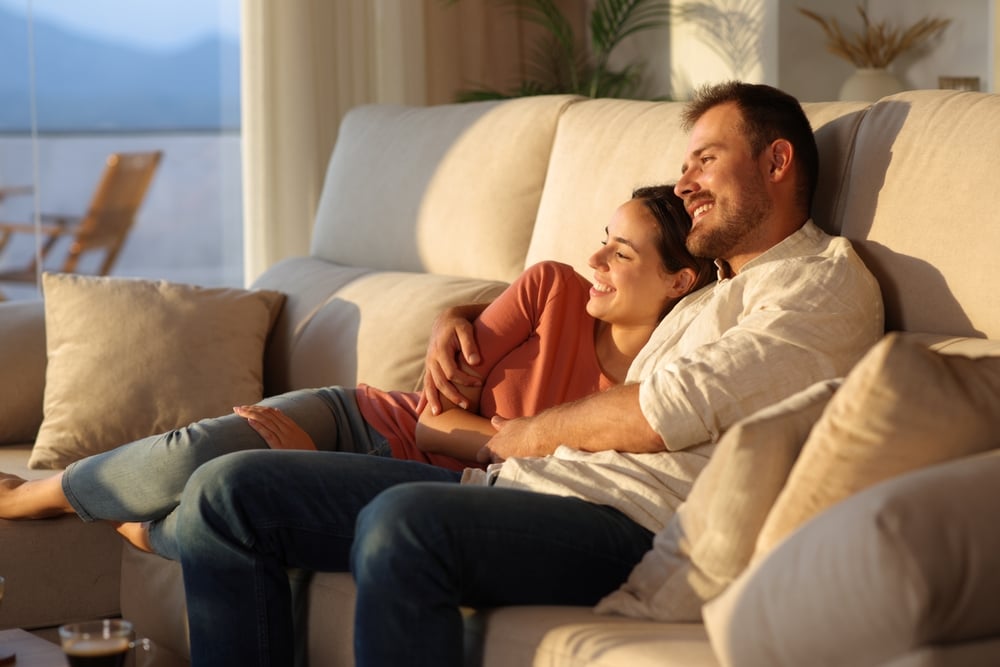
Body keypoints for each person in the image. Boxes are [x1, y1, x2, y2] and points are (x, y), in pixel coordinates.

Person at [171, 81, 884, 667]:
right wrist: (457, 310)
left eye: (704, 159)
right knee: (226, 491)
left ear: (778, 162)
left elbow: (666, 407)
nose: (684, 180)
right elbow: (586, 301)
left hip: (624, 522)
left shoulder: (818, 283)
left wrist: (519, 435)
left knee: (403, 524)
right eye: (686, 164)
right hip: (522, 489)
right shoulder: (710, 290)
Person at [0, 185, 714, 561]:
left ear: (680, 280)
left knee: (226, 512)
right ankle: (37, 496)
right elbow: (433, 416)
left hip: (417, 485)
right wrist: (513, 431)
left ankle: (147, 533)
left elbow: (487, 460)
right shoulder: (552, 288)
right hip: (367, 417)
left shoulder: (650, 390)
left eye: (621, 254)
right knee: (196, 450)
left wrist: (486, 436)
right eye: (602, 241)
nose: (596, 260)